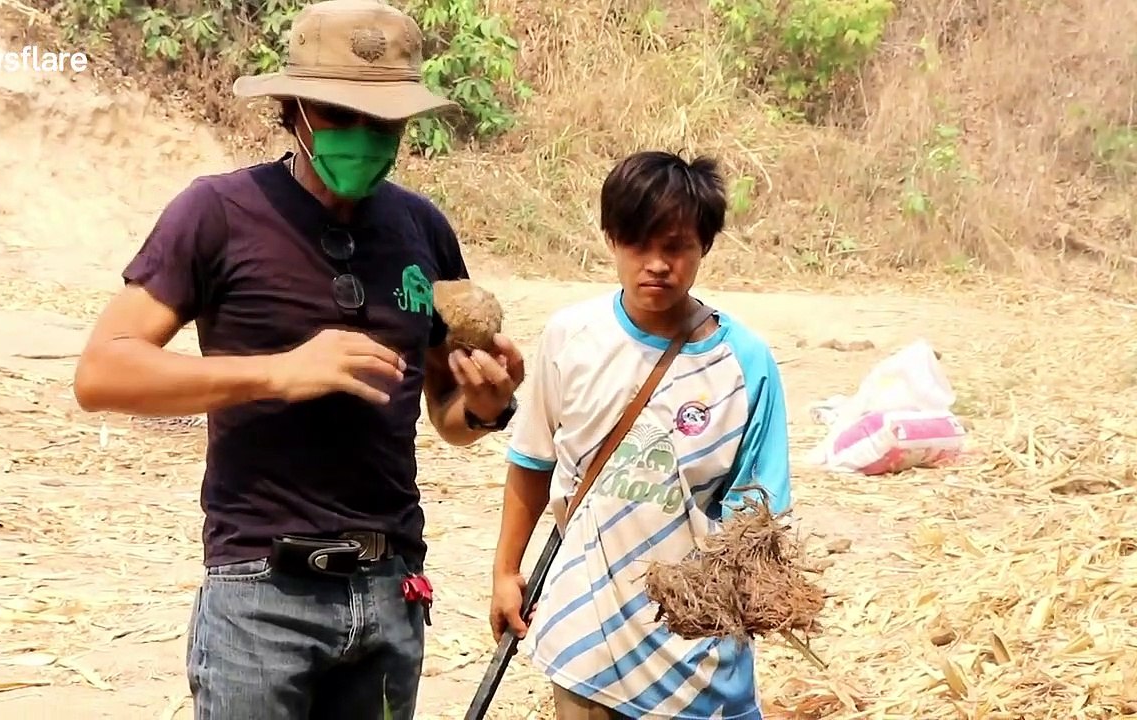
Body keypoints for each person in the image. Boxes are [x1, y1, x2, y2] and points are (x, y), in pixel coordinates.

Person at [71, 1, 526, 717]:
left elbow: (446, 413)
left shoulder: (421, 228)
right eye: (342, 116)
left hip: (390, 588)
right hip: (261, 593)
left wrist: (487, 405)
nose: (365, 138)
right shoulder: (216, 212)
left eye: (384, 123)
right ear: (293, 110)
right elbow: (103, 372)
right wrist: (279, 372)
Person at [488, 150, 793, 720]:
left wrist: (739, 602)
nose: (657, 263)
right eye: (639, 243)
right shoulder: (571, 337)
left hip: (697, 657)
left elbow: (759, 514)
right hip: (588, 641)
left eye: (676, 246)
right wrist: (506, 573)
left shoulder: (745, 362)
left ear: (704, 245)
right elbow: (531, 463)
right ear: (611, 238)